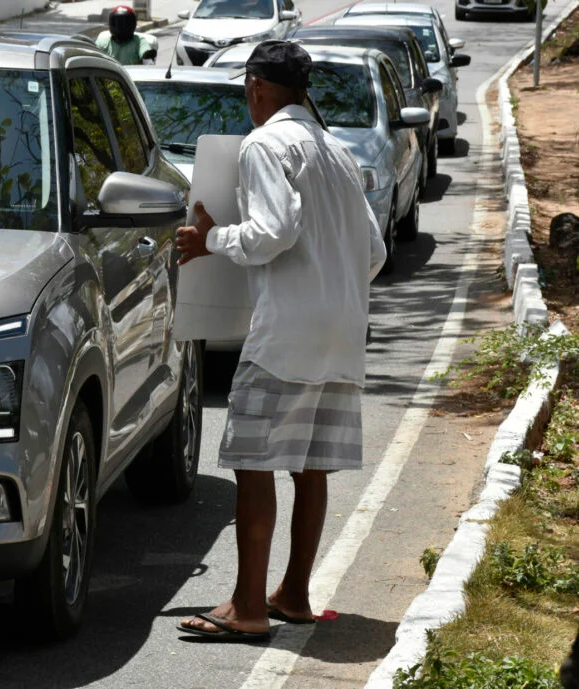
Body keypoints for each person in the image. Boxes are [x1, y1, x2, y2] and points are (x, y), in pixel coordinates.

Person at [174, 40, 387, 641]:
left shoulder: (265, 144)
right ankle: (293, 593)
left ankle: (246, 607)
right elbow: (373, 252)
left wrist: (210, 240)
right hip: (342, 332)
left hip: (287, 332)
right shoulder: (337, 152)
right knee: (311, 467)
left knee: (253, 461)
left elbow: (271, 233)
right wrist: (329, 280)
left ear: (256, 87)